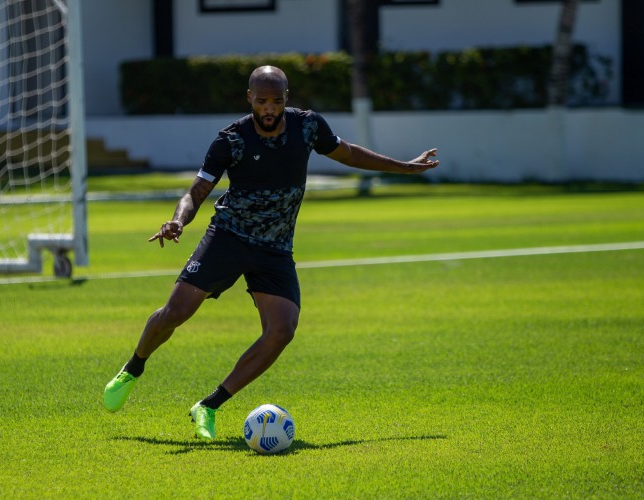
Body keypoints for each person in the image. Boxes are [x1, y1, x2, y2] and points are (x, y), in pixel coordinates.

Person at [102, 65, 439, 440]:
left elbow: (349, 154)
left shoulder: (308, 126)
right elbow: (196, 191)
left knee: (281, 330)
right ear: (250, 99)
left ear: (285, 100)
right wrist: (177, 221)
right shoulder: (231, 139)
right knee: (175, 313)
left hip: (275, 249)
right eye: (261, 101)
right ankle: (134, 367)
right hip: (228, 237)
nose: (269, 109)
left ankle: (208, 405)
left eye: (276, 101)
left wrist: (404, 167)